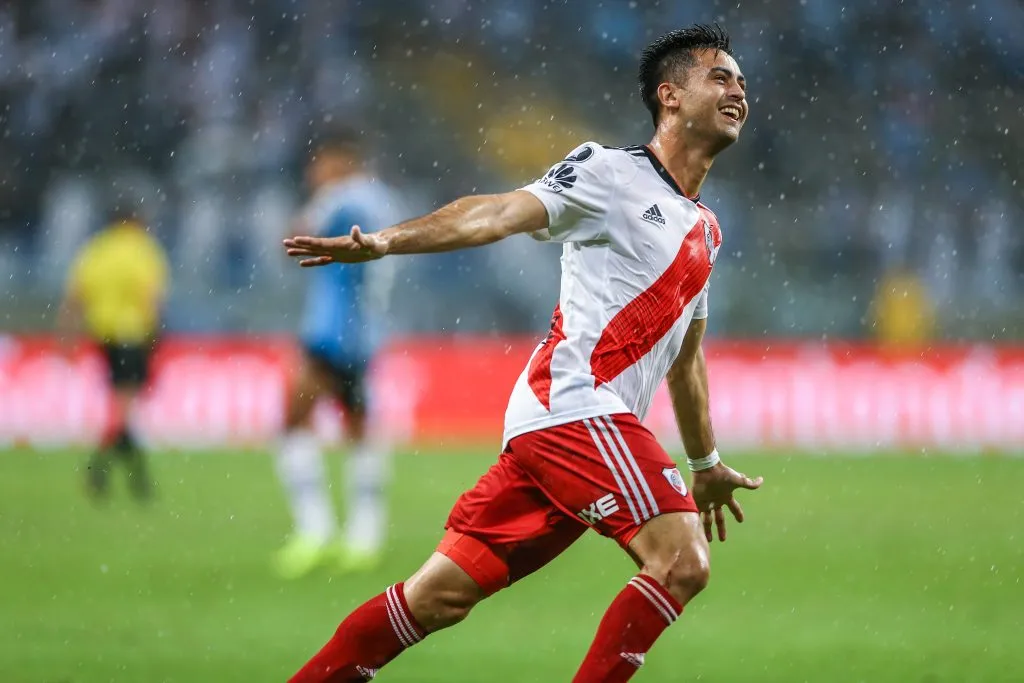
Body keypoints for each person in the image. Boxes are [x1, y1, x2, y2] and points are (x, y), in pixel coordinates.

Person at [283, 24, 763, 682]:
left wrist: (706, 462)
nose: (738, 89)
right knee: (682, 561)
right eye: (720, 77)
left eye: (741, 80)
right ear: (670, 95)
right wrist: (390, 241)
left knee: (436, 597)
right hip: (574, 407)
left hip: (567, 429)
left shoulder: (704, 228)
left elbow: (687, 358)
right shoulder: (608, 172)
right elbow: (499, 211)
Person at [273, 127, 404, 579]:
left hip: (331, 329)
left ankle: (316, 531)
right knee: (358, 428)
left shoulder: (341, 196)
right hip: (364, 330)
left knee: (293, 420)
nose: (314, 172)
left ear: (340, 160)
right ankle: (364, 536)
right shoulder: (381, 198)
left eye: (320, 162)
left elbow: (294, 239)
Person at [60, 206, 169, 502]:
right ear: (135, 221)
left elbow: (74, 296)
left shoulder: (97, 249)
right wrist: (156, 335)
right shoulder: (141, 249)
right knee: (124, 408)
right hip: (132, 336)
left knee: (123, 407)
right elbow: (151, 296)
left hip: (103, 337)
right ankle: (104, 471)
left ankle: (132, 478)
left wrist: (67, 336)